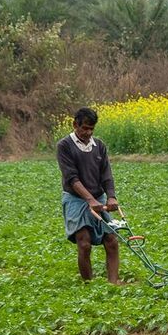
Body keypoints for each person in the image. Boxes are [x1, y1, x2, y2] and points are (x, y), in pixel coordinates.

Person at [56, 107, 121, 283]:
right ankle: (88, 286)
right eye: (84, 128)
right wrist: (89, 200)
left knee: (111, 240)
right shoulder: (64, 146)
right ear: (74, 124)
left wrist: (111, 196)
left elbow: (106, 174)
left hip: (98, 197)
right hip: (75, 199)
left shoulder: (99, 146)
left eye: (91, 129)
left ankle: (113, 283)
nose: (88, 132)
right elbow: (72, 178)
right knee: (84, 243)